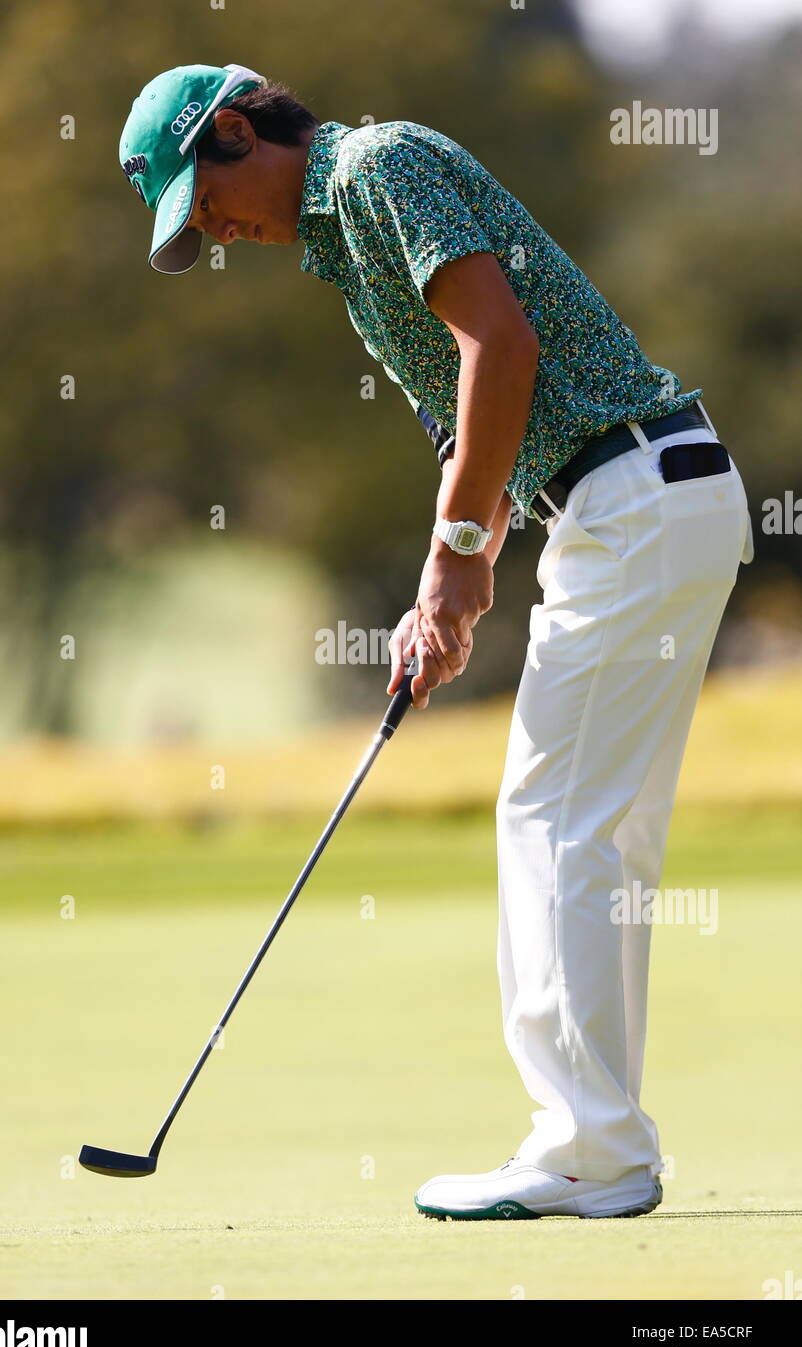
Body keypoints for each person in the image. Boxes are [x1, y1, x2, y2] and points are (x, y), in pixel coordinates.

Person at [119, 63, 754, 1220]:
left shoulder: (373, 168)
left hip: (634, 497)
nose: (218, 232)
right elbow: (495, 415)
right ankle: (600, 1142)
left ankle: (590, 1151)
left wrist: (455, 554)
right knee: (593, 836)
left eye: (207, 204)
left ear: (230, 131)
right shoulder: (348, 241)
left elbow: (496, 352)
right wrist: (447, 589)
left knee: (554, 819)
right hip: (638, 499)